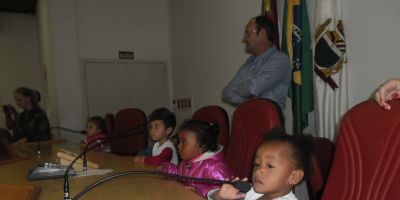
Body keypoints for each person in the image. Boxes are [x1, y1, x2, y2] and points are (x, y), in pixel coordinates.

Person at [208, 130, 313, 200]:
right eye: (257, 164)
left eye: (270, 166)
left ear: (294, 177)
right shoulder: (252, 191)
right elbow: (210, 194)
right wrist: (219, 195)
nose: (258, 170)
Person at [222, 16, 291, 111]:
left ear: (262, 34)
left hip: (269, 123)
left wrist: (237, 90)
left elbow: (253, 89)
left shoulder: (280, 60)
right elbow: (227, 93)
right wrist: (248, 100)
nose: (244, 39)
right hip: (246, 121)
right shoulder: (249, 62)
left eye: (247, 33)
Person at [161, 119, 233, 197]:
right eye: (179, 141)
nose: (178, 146)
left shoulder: (214, 167)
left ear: (202, 145)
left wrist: (201, 192)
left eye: (183, 142)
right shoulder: (186, 162)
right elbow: (179, 176)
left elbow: (223, 190)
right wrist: (169, 169)